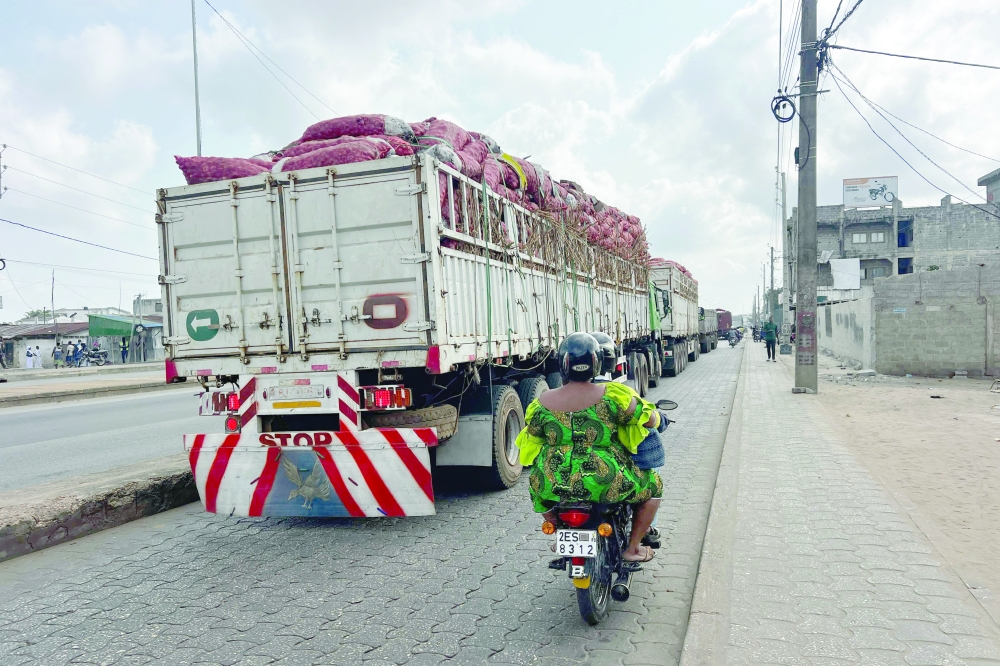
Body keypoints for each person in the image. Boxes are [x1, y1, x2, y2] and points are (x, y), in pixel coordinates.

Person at [516, 333, 663, 563]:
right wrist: (656, 417)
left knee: (538, 489)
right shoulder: (613, 395)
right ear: (596, 363)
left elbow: (530, 442)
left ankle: (561, 531)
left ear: (563, 364)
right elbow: (649, 419)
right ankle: (633, 548)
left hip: (554, 480)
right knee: (654, 487)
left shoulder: (541, 404)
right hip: (606, 479)